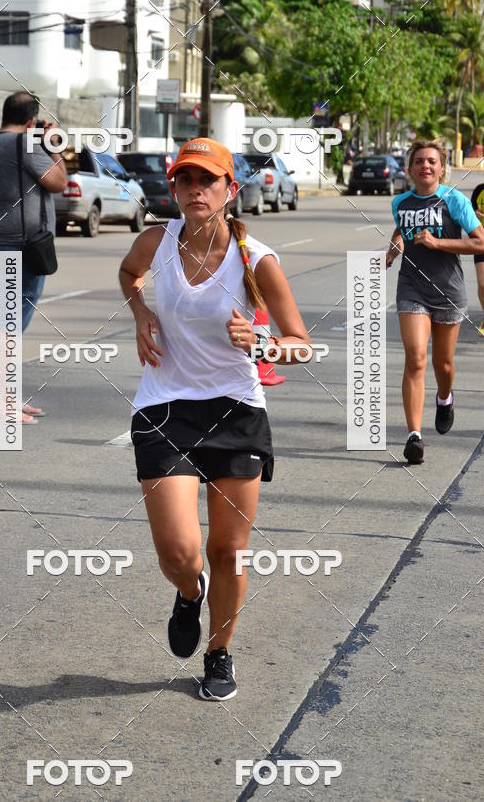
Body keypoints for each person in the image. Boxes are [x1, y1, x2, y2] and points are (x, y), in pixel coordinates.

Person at [118, 138, 312, 700]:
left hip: (236, 413)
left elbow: (300, 345)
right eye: (186, 180)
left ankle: (220, 652)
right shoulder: (156, 240)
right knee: (180, 553)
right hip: (164, 408)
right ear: (174, 189)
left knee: (229, 551)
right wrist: (140, 312)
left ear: (229, 190)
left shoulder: (255, 260)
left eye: (208, 180)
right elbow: (129, 274)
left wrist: (263, 343)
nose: (196, 189)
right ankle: (187, 591)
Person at [386, 139, 484, 464]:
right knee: (415, 358)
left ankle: (445, 397)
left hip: (449, 291)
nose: (425, 166)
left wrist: (438, 243)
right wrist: (393, 248)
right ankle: (414, 435)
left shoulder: (454, 200)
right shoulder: (400, 202)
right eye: (419, 161)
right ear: (410, 168)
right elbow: (401, 229)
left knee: (442, 364)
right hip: (411, 288)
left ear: (442, 168)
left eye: (432, 161)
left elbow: (479, 242)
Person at [0, 92, 68, 422]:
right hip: (19, 249)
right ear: (30, 120)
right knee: (6, 329)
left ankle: (2, 396)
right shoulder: (27, 145)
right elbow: (58, 182)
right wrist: (51, 146)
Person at [469, 183, 484, 335]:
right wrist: (475, 214)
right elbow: (469, 214)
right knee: (482, 283)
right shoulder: (479, 190)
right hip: (481, 242)